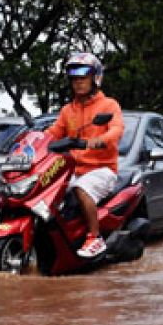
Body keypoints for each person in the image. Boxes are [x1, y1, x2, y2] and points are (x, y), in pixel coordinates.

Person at [45, 52, 124, 258]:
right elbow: (54, 132)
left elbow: (116, 129)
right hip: (73, 169)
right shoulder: (67, 111)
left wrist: (100, 140)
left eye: (83, 78)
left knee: (81, 188)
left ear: (95, 78)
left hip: (102, 169)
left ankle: (94, 237)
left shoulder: (109, 105)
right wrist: (36, 140)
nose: (78, 83)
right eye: (74, 79)